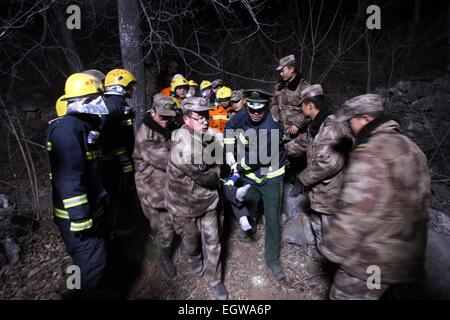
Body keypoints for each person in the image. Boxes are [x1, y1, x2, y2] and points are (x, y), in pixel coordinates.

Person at [319, 94, 431, 300]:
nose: (349, 129)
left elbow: (356, 210)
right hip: (408, 259)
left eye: (351, 121)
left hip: (373, 262)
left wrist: (333, 249)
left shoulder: (370, 152)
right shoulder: (412, 148)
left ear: (365, 119)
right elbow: (422, 202)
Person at [47, 73, 109, 298]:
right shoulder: (67, 129)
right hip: (77, 215)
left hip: (90, 208)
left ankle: (74, 290)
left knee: (80, 260)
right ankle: (82, 294)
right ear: (83, 100)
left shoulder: (82, 125)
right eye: (95, 97)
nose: (101, 101)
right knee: (94, 264)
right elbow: (69, 176)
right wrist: (81, 217)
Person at [165, 97, 228, 300]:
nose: (205, 121)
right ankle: (194, 257)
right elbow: (209, 176)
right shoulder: (186, 148)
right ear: (186, 119)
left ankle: (215, 279)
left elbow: (216, 146)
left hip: (207, 200)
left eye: (206, 116)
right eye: (199, 117)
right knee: (191, 240)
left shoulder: (203, 134)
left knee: (213, 241)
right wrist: (219, 171)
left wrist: (219, 156)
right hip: (184, 204)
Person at [224, 89, 287, 281]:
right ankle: (249, 229)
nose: (255, 113)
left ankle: (273, 259)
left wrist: (237, 168)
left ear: (266, 107)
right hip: (250, 177)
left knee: (272, 219)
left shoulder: (273, 128)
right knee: (250, 205)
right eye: (252, 109)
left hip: (271, 178)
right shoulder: (243, 115)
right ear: (247, 105)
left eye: (260, 110)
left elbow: (259, 157)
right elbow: (229, 127)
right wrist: (228, 152)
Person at [284, 84, 349, 249]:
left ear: (310, 106)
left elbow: (328, 163)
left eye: (302, 106)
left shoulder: (332, 128)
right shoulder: (316, 125)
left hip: (330, 195)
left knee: (332, 239)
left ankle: (333, 270)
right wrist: (282, 150)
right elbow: (303, 142)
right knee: (319, 231)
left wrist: (302, 180)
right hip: (318, 194)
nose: (301, 109)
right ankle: (323, 263)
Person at [133, 94, 178, 279]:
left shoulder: (167, 125)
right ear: (152, 112)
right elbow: (169, 161)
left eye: (169, 116)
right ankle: (165, 256)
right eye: (162, 116)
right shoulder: (147, 136)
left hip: (167, 184)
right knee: (165, 226)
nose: (166, 121)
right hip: (153, 189)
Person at [102, 68, 139, 260]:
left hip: (116, 165)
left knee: (122, 203)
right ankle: (122, 247)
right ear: (120, 85)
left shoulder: (113, 104)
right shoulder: (113, 106)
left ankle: (119, 244)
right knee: (124, 203)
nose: (131, 89)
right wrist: (125, 164)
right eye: (130, 85)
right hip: (115, 168)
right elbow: (113, 141)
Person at [271, 54, 309, 140]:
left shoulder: (304, 87)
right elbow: (274, 104)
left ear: (292, 69)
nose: (280, 74)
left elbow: (311, 109)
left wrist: (297, 124)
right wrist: (275, 120)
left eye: (282, 71)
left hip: (300, 134)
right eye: (279, 71)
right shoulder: (278, 86)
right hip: (281, 132)